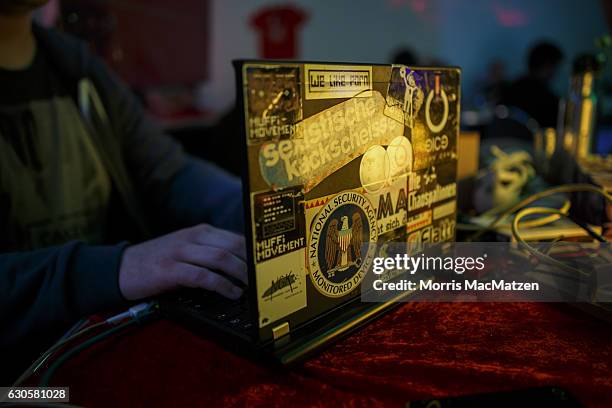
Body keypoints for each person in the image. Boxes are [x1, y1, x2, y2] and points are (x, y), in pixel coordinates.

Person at [0, 1, 247, 383]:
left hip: (95, 347)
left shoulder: (74, 65)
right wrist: (117, 267)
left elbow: (168, 173)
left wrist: (262, 209)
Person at [501, 41, 564, 128]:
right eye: (555, 67)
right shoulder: (549, 99)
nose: (556, 72)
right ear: (548, 65)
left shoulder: (509, 88)